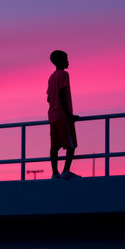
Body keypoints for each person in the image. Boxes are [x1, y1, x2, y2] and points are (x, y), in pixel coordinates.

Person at [47, 50, 81, 180]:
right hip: (62, 115)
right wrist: (69, 115)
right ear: (60, 61)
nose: (68, 62)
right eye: (66, 59)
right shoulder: (64, 75)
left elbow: (49, 98)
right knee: (71, 145)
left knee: (54, 146)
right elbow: (61, 94)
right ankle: (66, 171)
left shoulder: (51, 77)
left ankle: (55, 173)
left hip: (53, 116)